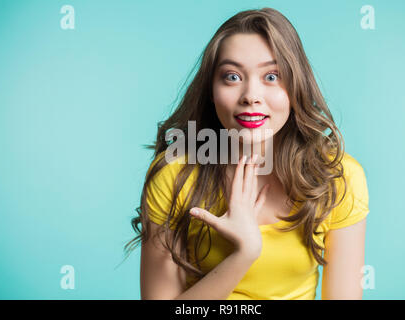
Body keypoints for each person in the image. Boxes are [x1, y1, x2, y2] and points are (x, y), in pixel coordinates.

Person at [124, 7, 370, 300]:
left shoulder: (337, 177)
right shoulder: (174, 176)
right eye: (231, 76)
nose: (251, 95)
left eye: (271, 76)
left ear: (295, 87)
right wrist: (243, 254)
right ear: (211, 91)